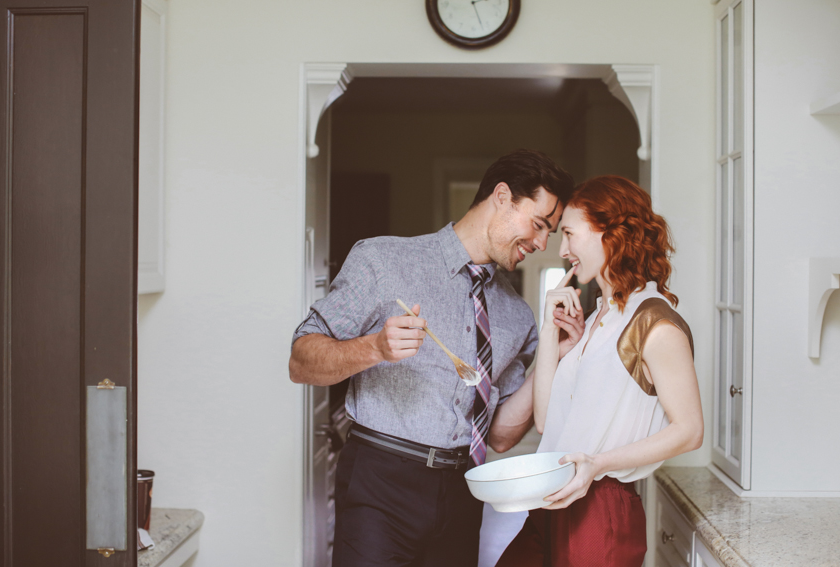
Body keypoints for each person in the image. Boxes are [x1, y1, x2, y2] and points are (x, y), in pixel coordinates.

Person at [289, 149, 576, 567]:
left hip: (464, 493)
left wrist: (555, 352)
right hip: (380, 485)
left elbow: (499, 436)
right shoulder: (382, 261)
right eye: (539, 224)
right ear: (502, 196)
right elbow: (300, 361)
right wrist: (374, 348)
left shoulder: (518, 317)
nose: (542, 244)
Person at [496, 175, 704, 567]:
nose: (562, 250)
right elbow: (545, 421)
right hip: (554, 500)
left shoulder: (654, 323)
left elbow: (690, 431)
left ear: (609, 233)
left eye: (569, 234)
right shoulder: (596, 320)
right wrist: (549, 331)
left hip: (600, 507)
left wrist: (599, 464)